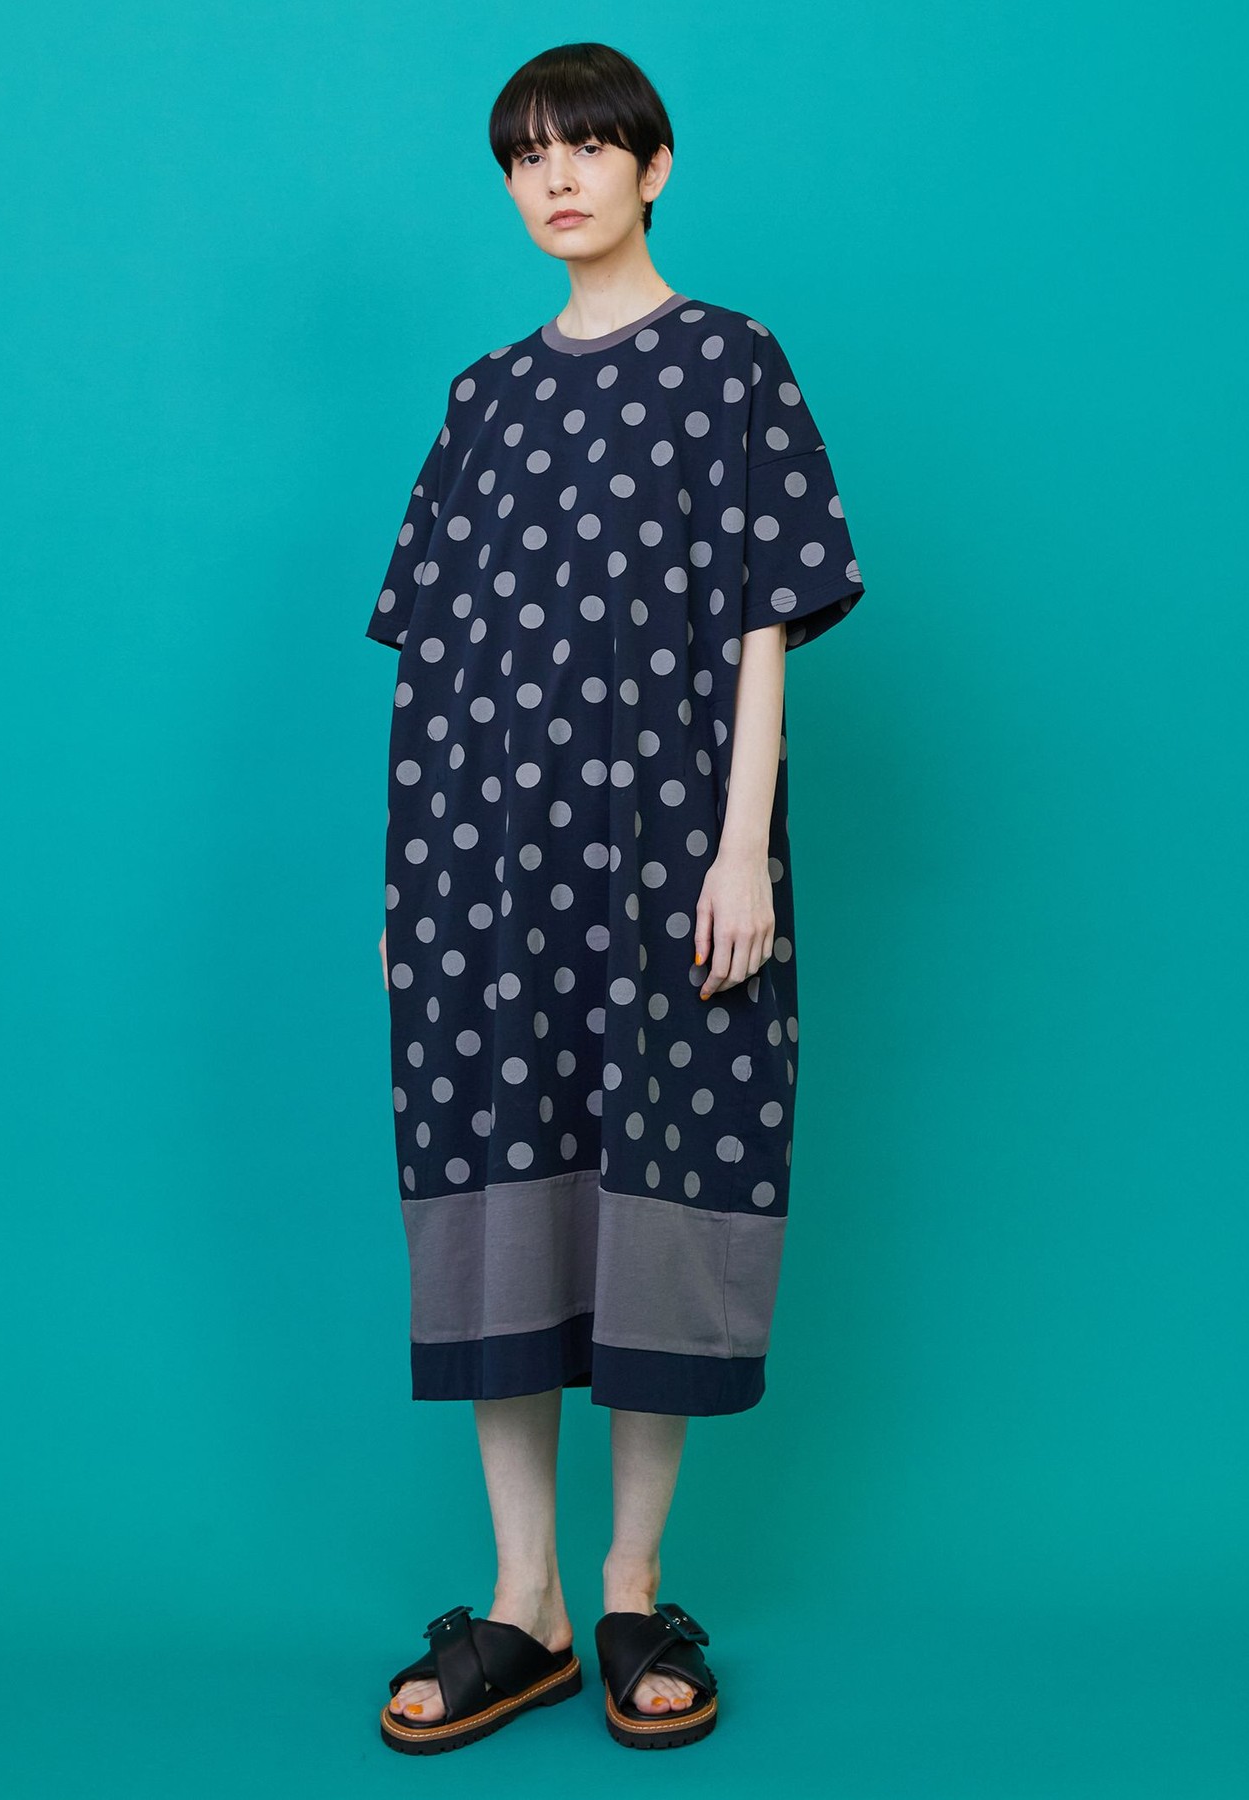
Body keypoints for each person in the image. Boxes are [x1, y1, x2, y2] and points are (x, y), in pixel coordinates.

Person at [366, 42, 865, 1754]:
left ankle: (637, 1582)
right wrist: (404, 882)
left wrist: (740, 847)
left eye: (588, 147)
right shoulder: (482, 397)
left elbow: (764, 618)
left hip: (670, 857)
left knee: (671, 1183)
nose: (557, 179)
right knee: (497, 1200)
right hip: (480, 869)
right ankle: (526, 1607)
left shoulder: (732, 364)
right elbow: (430, 656)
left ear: (654, 167)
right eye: (527, 157)